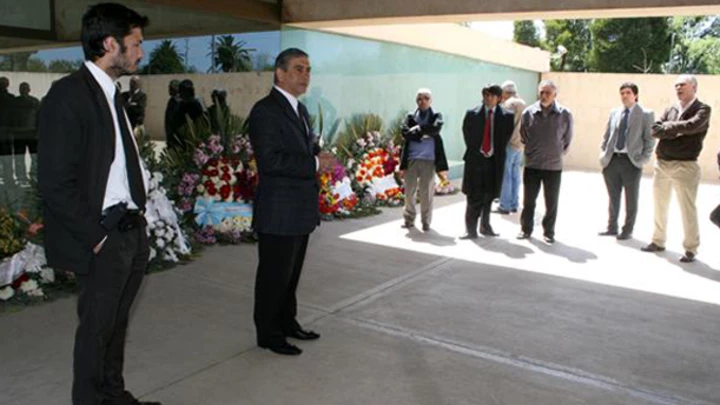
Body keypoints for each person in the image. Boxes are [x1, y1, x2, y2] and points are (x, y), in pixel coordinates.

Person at [37, 4, 160, 405]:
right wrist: (96, 237)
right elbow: (55, 183)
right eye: (135, 43)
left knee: (115, 325)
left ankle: (113, 396)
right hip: (104, 235)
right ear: (110, 44)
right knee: (95, 332)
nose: (141, 51)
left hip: (130, 230)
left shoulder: (112, 94)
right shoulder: (68, 96)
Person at [248, 48, 334, 356]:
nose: (305, 75)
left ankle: (287, 322)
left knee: (290, 275)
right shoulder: (265, 111)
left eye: (308, 69)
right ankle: (269, 334)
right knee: (274, 275)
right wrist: (314, 163)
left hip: (299, 208)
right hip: (279, 209)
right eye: (298, 69)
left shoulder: (300, 110)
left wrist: (318, 156)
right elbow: (270, 161)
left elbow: (301, 149)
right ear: (280, 73)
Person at [641, 75, 712, 263]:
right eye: (676, 85)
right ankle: (658, 241)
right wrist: (678, 130)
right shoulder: (670, 109)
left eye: (682, 85)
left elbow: (693, 126)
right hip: (662, 164)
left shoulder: (703, 109)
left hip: (685, 165)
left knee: (687, 209)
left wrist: (669, 129)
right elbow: (655, 130)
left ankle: (691, 248)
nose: (678, 88)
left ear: (694, 87)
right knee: (659, 206)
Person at [517, 80, 573, 244]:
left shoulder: (564, 114)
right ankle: (525, 229)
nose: (544, 95)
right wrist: (532, 151)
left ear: (555, 94)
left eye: (548, 92)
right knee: (528, 201)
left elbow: (567, 139)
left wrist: (556, 152)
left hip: (553, 166)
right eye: (542, 92)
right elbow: (523, 136)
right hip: (532, 165)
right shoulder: (528, 113)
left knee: (551, 202)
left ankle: (549, 232)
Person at [598, 82, 655, 240]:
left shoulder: (646, 114)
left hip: (631, 162)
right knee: (613, 196)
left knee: (631, 198)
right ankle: (612, 227)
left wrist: (643, 159)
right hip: (612, 160)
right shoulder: (615, 112)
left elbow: (650, 139)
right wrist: (603, 154)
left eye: (628, 92)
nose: (624, 96)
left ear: (635, 95)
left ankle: (627, 229)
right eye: (622, 93)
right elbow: (607, 135)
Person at [460, 84, 514, 239]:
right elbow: (467, 134)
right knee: (473, 195)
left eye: (492, 95)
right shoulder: (472, 114)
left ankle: (485, 226)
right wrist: (479, 151)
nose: (488, 98)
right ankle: (470, 229)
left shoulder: (507, 116)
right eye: (486, 95)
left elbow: (505, 138)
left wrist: (492, 151)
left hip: (494, 161)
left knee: (489, 195)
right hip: (476, 160)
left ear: (499, 98)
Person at [399, 88, 449, 231]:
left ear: (431, 100)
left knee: (426, 193)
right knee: (409, 192)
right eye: (420, 99)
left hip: (429, 160)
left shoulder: (436, 116)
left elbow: (435, 129)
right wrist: (424, 133)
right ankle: (409, 219)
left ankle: (426, 221)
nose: (423, 101)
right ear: (416, 101)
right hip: (411, 159)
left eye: (426, 98)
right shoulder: (410, 116)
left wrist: (417, 130)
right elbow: (405, 133)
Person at [495, 80, 526, 215]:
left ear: (504, 93)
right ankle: (514, 203)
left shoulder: (509, 104)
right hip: (520, 145)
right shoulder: (523, 103)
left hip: (509, 144)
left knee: (505, 175)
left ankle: (505, 205)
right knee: (515, 174)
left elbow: (504, 126)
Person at [13, 82, 41, 184]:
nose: (23, 90)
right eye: (23, 88)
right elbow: (39, 117)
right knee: (32, 156)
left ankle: (23, 177)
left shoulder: (15, 102)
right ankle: (31, 176)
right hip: (29, 133)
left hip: (21, 134)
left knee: (21, 157)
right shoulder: (34, 101)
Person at [168, 79, 203, 151]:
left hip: (190, 142)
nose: (180, 94)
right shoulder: (181, 104)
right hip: (179, 141)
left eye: (182, 91)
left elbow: (199, 124)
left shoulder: (194, 104)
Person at [0, 76, 16, 185]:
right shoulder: (11, 98)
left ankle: (8, 177)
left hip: (7, 131)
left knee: (7, 156)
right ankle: (8, 177)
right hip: (7, 130)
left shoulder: (11, 99)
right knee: (7, 156)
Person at [164, 79, 180, 146]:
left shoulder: (180, 101)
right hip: (171, 137)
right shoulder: (171, 101)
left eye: (171, 88)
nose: (169, 90)